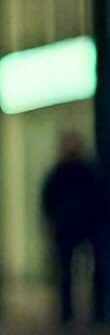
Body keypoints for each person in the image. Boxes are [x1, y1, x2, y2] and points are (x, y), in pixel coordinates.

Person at [42, 131, 102, 324]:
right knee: (66, 272)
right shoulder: (60, 172)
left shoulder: (85, 171)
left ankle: (95, 312)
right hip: (68, 227)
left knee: (91, 270)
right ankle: (68, 313)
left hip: (84, 226)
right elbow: (48, 201)